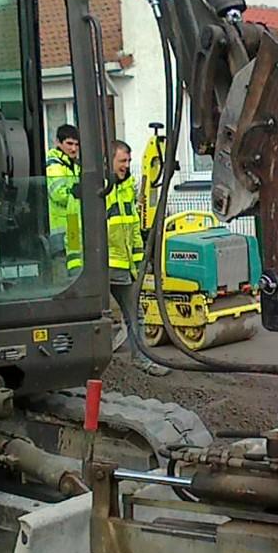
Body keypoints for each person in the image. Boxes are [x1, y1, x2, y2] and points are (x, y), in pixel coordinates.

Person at [106, 140, 169, 376]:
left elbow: (132, 227)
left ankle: (141, 359)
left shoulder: (127, 187)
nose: (127, 165)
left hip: (124, 265)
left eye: (129, 161)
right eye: (122, 160)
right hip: (106, 265)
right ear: (109, 161)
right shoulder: (100, 188)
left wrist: (139, 259)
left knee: (136, 315)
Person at [45, 124, 82, 273]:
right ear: (58, 143)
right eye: (69, 144)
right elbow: (59, 194)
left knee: (75, 270)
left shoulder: (73, 165)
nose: (73, 149)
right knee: (63, 275)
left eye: (76, 144)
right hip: (62, 230)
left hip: (73, 226)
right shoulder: (54, 165)